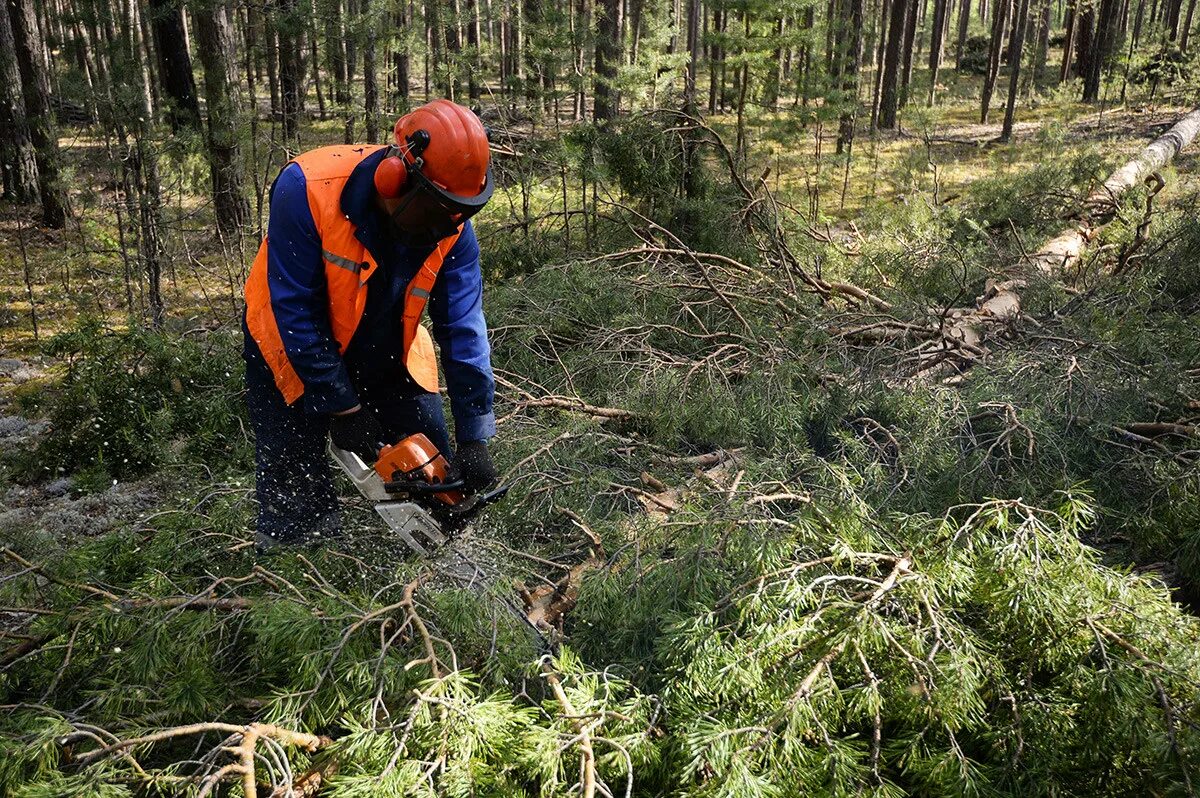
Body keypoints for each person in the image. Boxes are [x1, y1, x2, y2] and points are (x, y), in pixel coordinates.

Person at [242, 99, 498, 551]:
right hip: (288, 340)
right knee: (292, 477)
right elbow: (296, 311)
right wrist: (343, 408)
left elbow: (463, 325)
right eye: (435, 209)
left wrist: (475, 433)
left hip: (387, 343)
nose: (444, 225)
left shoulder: (452, 224)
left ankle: (437, 570)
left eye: (456, 211)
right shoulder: (306, 188)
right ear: (394, 178)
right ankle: (294, 567)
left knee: (434, 477)